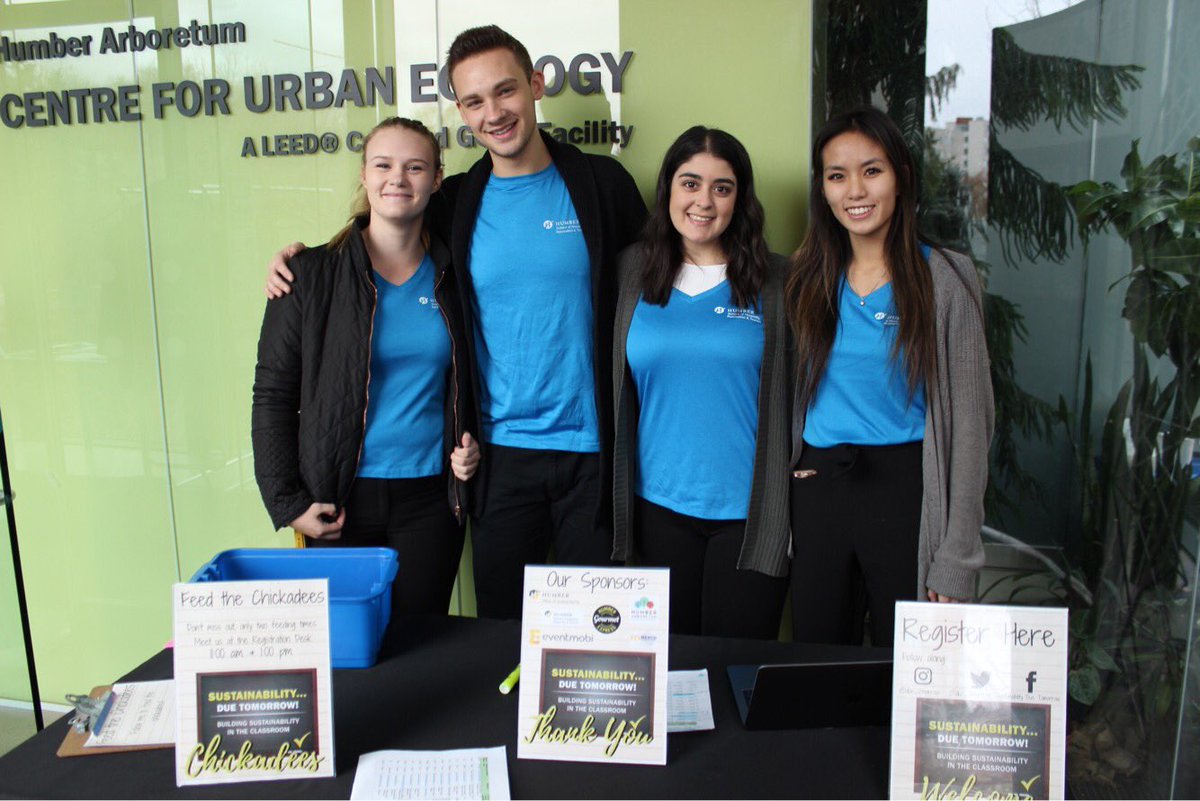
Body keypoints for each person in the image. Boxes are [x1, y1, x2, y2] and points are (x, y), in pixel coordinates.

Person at [264, 26, 647, 620]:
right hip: (494, 458)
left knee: (594, 632)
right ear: (462, 111)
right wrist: (300, 263)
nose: (493, 113)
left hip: (594, 454)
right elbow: (385, 230)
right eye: (473, 101)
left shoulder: (602, 186)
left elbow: (656, 279)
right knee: (499, 629)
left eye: (505, 91)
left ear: (536, 85)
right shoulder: (455, 202)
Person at [252, 117, 480, 619]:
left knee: (421, 646)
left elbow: (474, 376)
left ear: (437, 179)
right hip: (339, 499)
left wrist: (469, 441)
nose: (398, 178)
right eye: (384, 165)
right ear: (364, 175)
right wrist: (286, 501)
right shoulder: (308, 276)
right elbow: (272, 394)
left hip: (431, 500)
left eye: (415, 167)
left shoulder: (455, 276)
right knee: (347, 650)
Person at [785, 105, 994, 647]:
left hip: (906, 490)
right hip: (820, 487)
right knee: (817, 657)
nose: (855, 189)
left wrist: (957, 557)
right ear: (824, 191)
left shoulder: (945, 278)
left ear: (900, 177)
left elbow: (971, 427)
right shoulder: (804, 278)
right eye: (837, 176)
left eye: (871, 170)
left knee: (907, 667)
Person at [611, 127, 790, 638]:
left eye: (722, 187)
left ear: (741, 199)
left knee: (735, 673)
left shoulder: (779, 283)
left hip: (750, 517)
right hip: (656, 512)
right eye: (690, 183)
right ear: (668, 188)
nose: (703, 202)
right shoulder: (630, 274)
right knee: (671, 674)